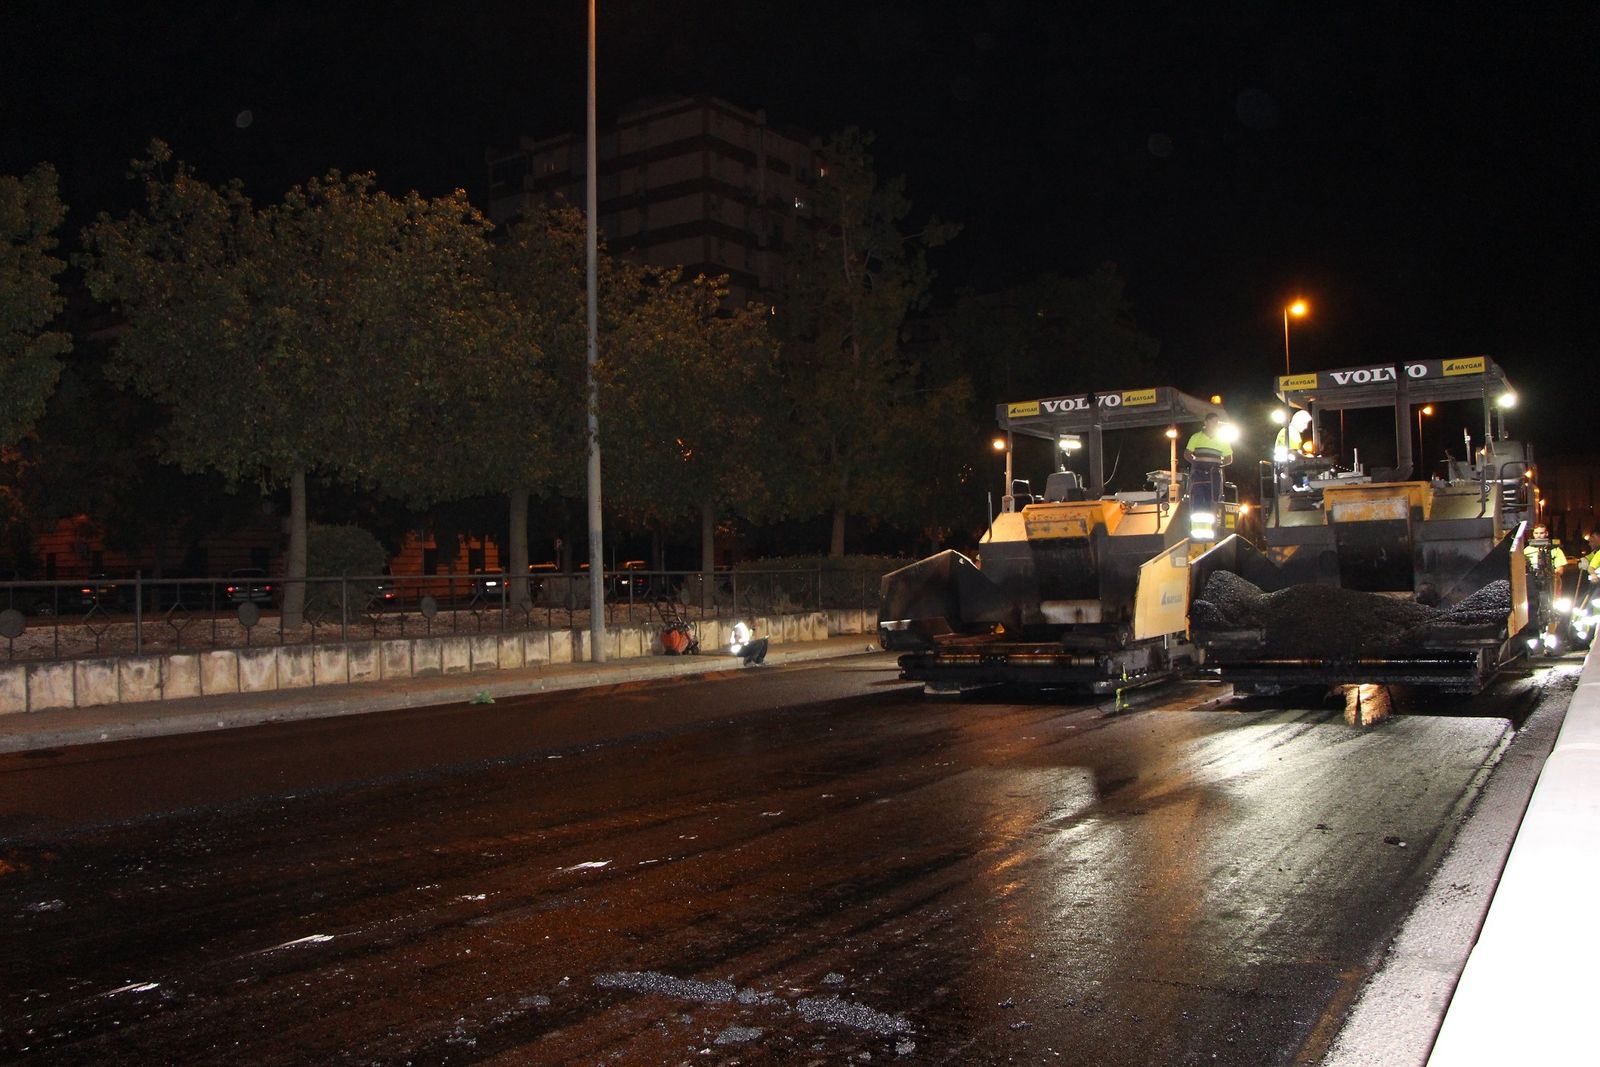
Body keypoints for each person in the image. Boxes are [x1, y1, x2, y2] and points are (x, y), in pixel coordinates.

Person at [1184, 412, 1233, 512]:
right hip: (1199, 473)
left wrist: (1218, 465)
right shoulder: (1196, 437)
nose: (1215, 425)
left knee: (1213, 500)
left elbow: (1229, 458)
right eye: (1213, 422)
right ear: (1205, 422)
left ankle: (1213, 518)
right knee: (1197, 498)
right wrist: (1197, 463)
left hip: (1214, 474)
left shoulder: (1223, 439)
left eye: (1217, 422)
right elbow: (1187, 454)